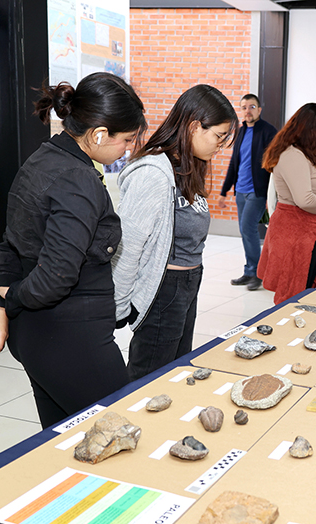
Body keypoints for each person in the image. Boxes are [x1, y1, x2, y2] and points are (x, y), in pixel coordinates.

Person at [0, 72, 147, 429]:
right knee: (119, 433)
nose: (128, 148)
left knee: (62, 440)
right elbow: (56, 276)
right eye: (126, 139)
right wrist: (10, 299)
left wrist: (2, 305)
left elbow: (11, 244)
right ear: (99, 133)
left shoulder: (42, 159)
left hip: (38, 336)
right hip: (71, 338)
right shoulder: (77, 179)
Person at [112, 85, 237, 381]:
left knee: (176, 371)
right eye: (219, 136)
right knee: (148, 378)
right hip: (164, 288)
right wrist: (118, 306)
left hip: (188, 282)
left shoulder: (190, 167)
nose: (221, 146)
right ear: (194, 127)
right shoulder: (153, 173)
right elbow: (129, 245)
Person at [258, 103, 316, 305]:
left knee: (305, 291)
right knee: (293, 296)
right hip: (296, 235)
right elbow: (304, 199)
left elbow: (313, 190)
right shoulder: (292, 155)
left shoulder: (306, 153)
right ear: (309, 128)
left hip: (308, 233)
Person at [219, 94, 277, 291]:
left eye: (252, 107)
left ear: (259, 110)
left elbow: (274, 164)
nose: (247, 111)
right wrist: (224, 190)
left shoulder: (268, 131)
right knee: (245, 231)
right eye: (244, 107)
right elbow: (234, 163)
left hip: (257, 191)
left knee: (248, 228)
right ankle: (250, 270)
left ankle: (257, 273)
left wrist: (271, 195)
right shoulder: (241, 132)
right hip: (241, 191)